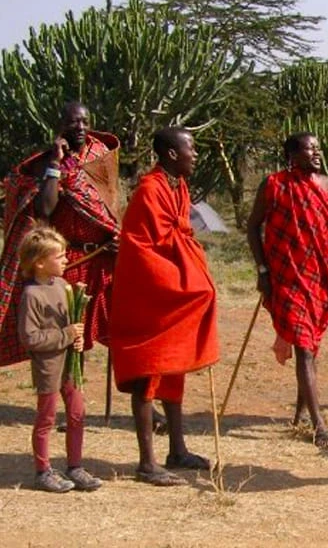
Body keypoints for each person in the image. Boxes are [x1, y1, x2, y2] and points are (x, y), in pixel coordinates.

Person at [110, 127, 219, 486]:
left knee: (173, 371)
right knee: (149, 375)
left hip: (168, 294)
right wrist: (183, 281)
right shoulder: (149, 190)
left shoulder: (178, 186)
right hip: (150, 297)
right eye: (192, 148)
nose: (197, 154)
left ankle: (177, 449)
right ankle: (146, 463)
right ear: (172, 154)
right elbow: (143, 249)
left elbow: (179, 234)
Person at [247, 132, 328, 450]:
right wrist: (263, 270)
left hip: (318, 276)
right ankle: (319, 425)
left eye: (319, 147)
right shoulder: (274, 184)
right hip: (286, 276)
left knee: (311, 345)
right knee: (304, 346)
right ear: (293, 153)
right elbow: (253, 226)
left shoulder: (326, 185)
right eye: (310, 148)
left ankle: (299, 413)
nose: (317, 152)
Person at [1, 101, 119, 367]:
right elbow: (44, 207)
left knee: (118, 328)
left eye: (84, 121)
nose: (80, 127)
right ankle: (66, 395)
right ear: (60, 125)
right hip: (70, 260)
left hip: (104, 257)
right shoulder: (47, 163)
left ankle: (137, 394)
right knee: (66, 335)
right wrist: (56, 163)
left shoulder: (99, 154)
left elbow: (110, 204)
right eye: (73, 122)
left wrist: (113, 234)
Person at [17, 225, 102, 492]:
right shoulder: (31, 295)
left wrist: (76, 338)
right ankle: (43, 471)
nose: (66, 259)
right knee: (47, 417)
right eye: (60, 256)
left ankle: (75, 466)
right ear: (39, 262)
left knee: (77, 413)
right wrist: (65, 334)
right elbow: (30, 337)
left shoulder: (63, 286)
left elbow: (70, 324)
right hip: (48, 366)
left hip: (69, 364)